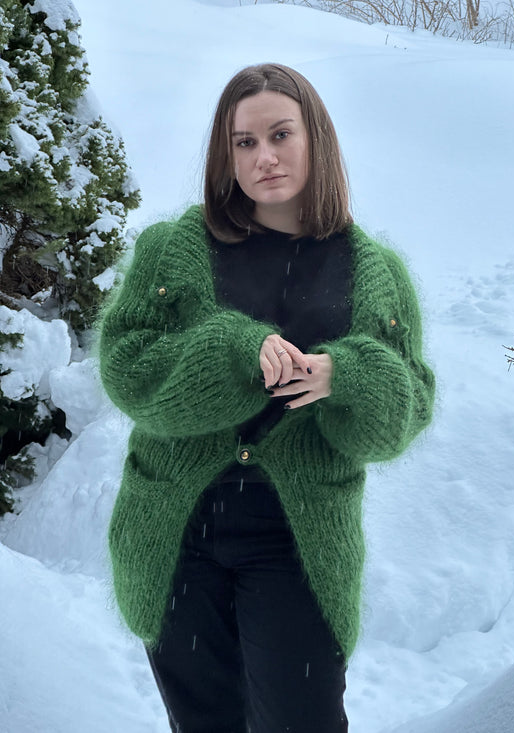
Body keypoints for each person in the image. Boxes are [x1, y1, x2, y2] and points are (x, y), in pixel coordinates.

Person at [99, 63, 435, 733]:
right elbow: (127, 370)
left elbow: (407, 410)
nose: (265, 157)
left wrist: (345, 376)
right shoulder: (173, 250)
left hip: (298, 544)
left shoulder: (373, 271)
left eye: (281, 134)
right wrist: (231, 353)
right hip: (175, 535)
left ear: (316, 138)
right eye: (244, 142)